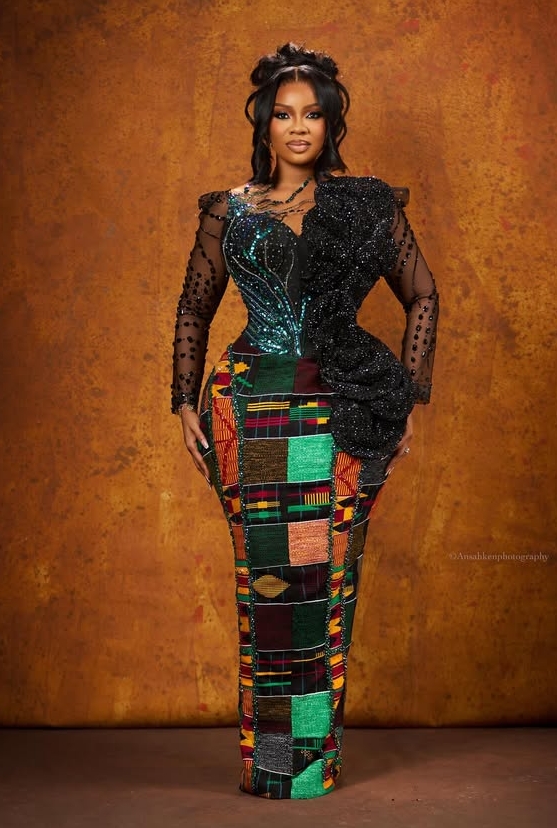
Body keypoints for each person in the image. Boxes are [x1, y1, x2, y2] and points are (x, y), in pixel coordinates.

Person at [171, 42, 439, 799]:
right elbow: (194, 308)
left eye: (312, 114)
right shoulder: (228, 210)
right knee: (267, 586)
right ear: (263, 122)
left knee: (327, 583)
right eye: (284, 114)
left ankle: (311, 768)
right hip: (248, 410)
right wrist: (183, 401)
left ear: (330, 124)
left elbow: (423, 295)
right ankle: (270, 767)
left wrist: (409, 396)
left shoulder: (366, 205)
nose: (298, 127)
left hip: (342, 406)